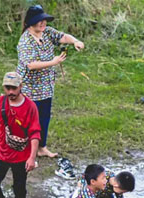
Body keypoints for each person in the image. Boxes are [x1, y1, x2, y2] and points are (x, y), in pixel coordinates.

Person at [17, 4, 85, 158]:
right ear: (30, 22)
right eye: (39, 21)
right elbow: (31, 64)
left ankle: (41, 147)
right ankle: (26, 150)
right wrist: (53, 62)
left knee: (44, 118)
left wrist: (75, 41)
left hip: (46, 86)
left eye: (44, 20)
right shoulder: (25, 41)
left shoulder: (46, 32)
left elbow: (62, 36)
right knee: (29, 119)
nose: (43, 23)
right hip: (30, 87)